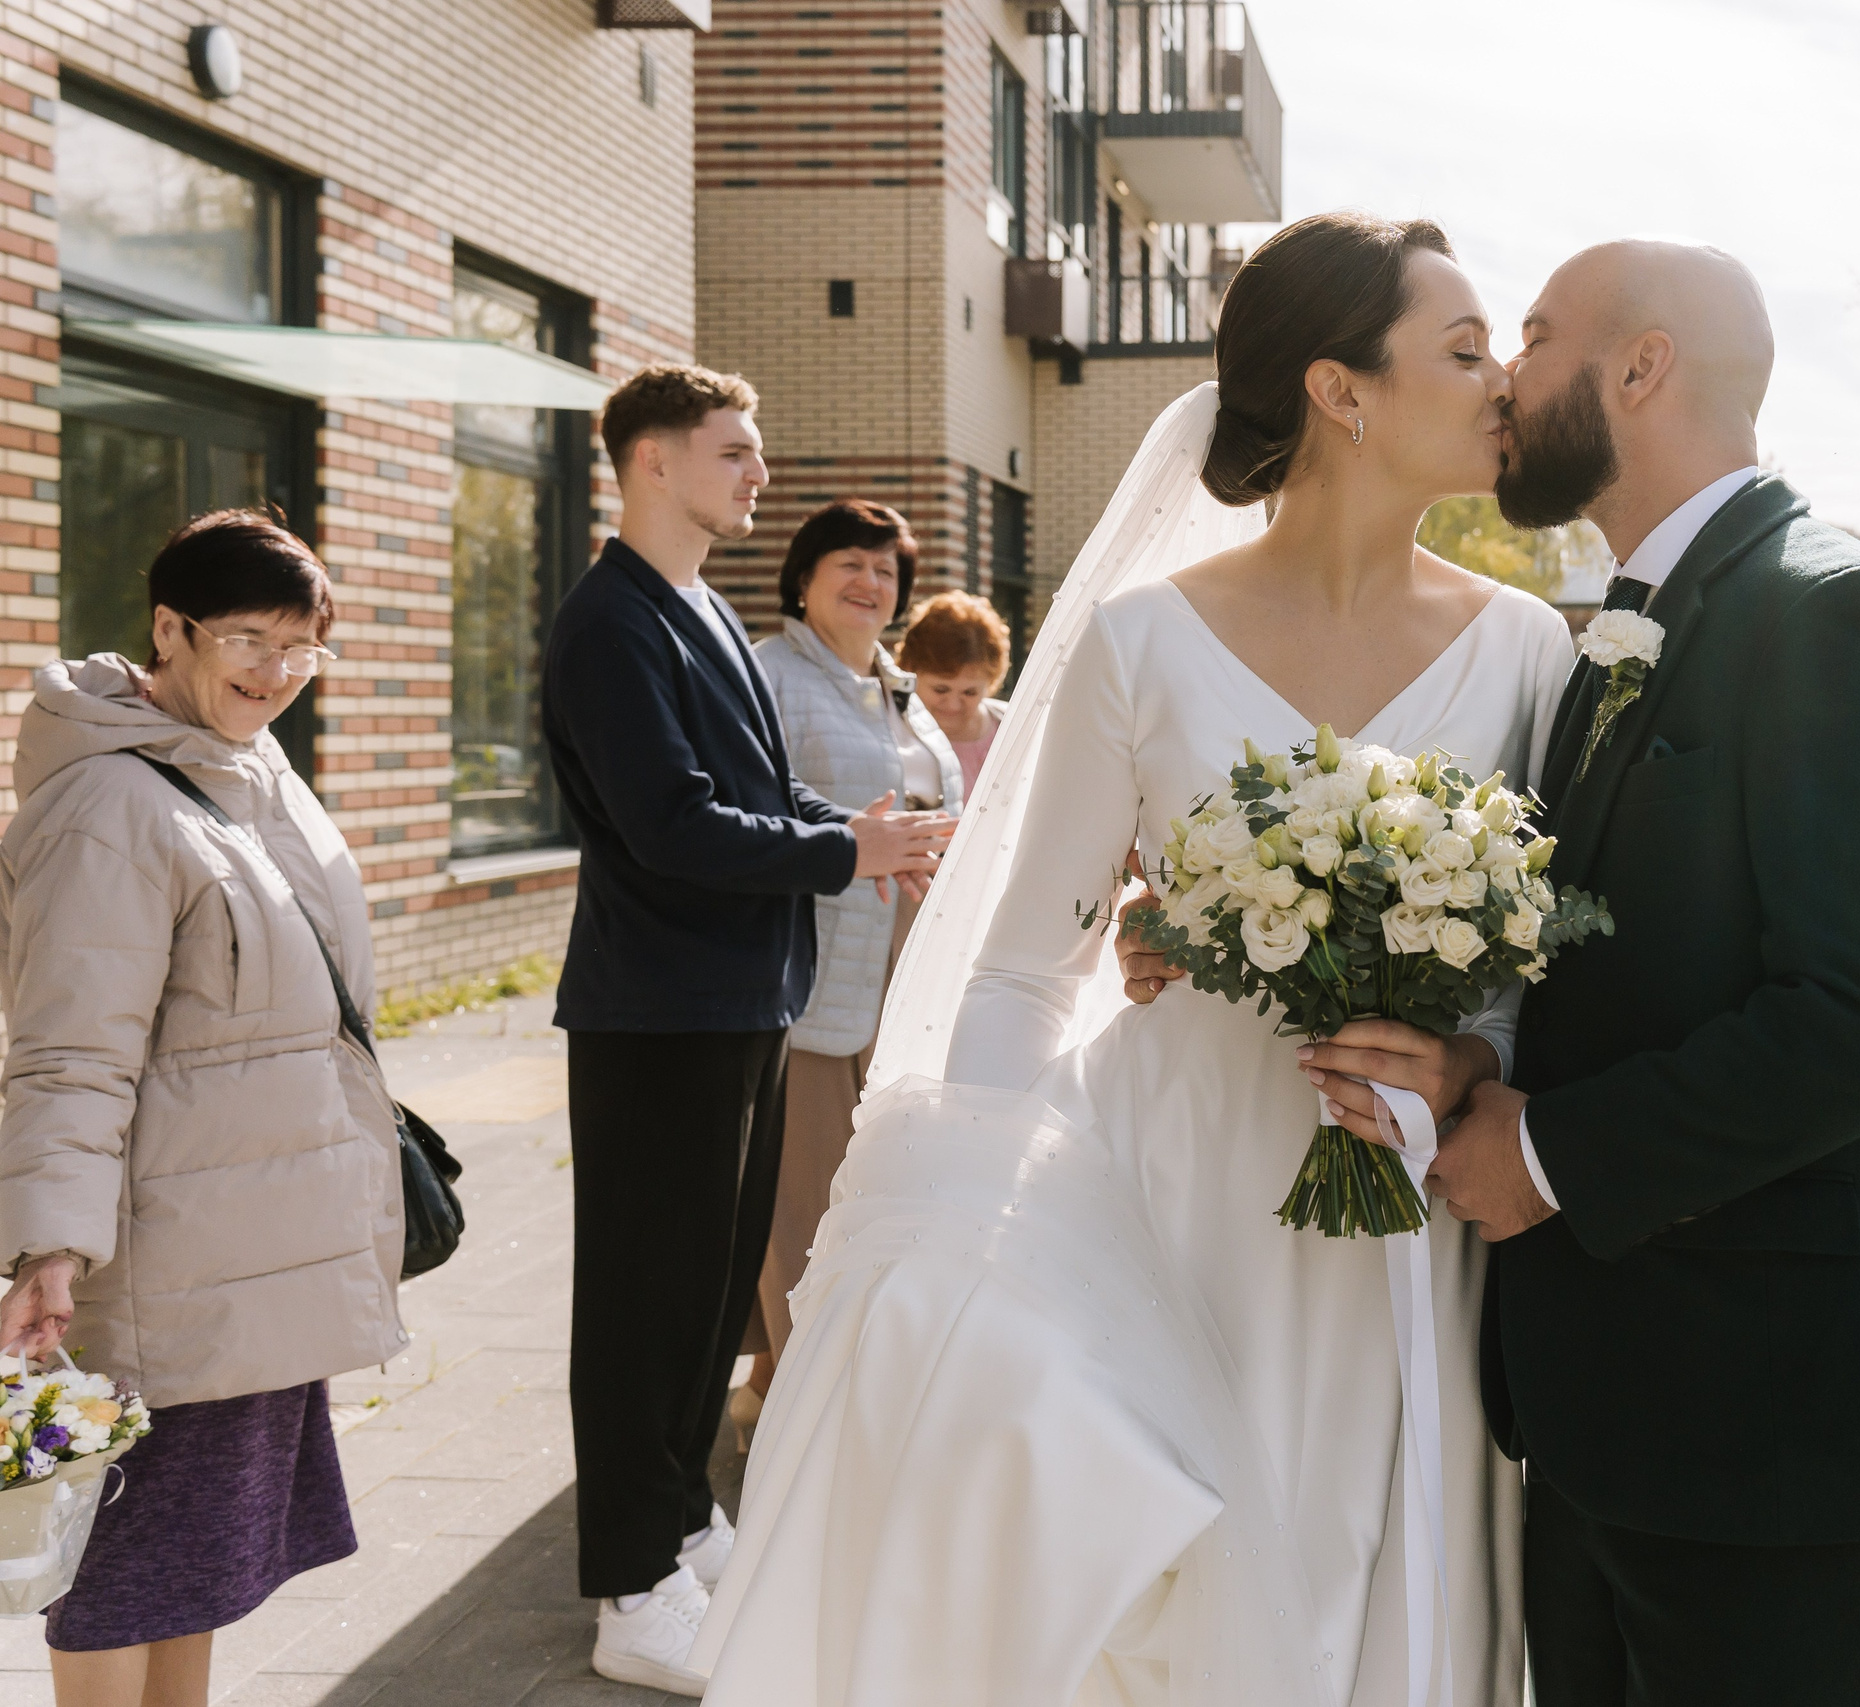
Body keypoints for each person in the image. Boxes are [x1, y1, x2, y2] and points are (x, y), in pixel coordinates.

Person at [695, 212, 1572, 1705]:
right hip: (1168, 1191)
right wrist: (961, 1236)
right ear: (1341, 391)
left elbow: (1533, 961)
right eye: (1468, 349)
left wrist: (1469, 1055)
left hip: (1404, 1197)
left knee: (1378, 1559)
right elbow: (1032, 961)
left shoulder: (1532, 648)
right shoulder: (1141, 641)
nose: (1507, 387)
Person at [1408, 241, 1860, 1705]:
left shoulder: (1833, 609)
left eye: (1534, 335)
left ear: (1642, 366)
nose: (1505, 373)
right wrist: (1490, 1063)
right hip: (1614, 1408)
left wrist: (1546, 1150)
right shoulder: (1625, 621)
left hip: (1776, 1431)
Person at [539, 363, 949, 1695]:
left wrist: (859, 846)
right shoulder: (611, 625)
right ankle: (628, 1584)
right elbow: (670, 825)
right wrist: (851, 845)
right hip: (656, 1010)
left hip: (740, 998)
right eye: (736, 451)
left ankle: (683, 1522)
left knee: (713, 1296)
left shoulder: (702, 606)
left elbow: (749, 797)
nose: (759, 474)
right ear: (650, 460)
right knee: (643, 1302)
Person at [0, 511, 401, 1707]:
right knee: (123, 1574)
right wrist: (49, 1244)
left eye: (299, 648)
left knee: (202, 1573)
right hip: (172, 1269)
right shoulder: (110, 806)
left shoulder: (249, 767)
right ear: (169, 630)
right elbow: (69, 1051)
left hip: (262, 1248)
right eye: (245, 640)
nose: (273, 674)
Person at [733, 499, 959, 1432]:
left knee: (874, 1188)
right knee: (807, 1196)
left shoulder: (896, 684)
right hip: (814, 976)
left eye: (885, 569)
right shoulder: (767, 676)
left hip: (906, 979)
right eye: (848, 564)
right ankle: (807, 1403)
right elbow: (750, 820)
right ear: (803, 576)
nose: (870, 582)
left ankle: (774, 1387)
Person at [897, 590, 1012, 802]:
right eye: (941, 689)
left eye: (970, 692)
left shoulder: (1013, 730)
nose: (952, 704)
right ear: (911, 671)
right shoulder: (893, 733)